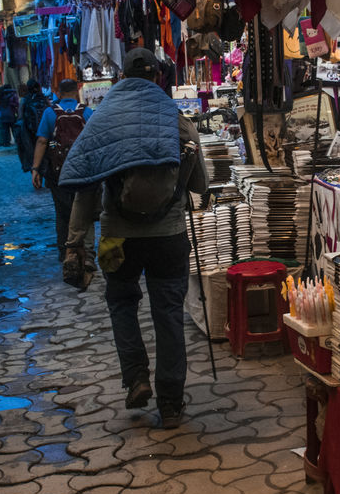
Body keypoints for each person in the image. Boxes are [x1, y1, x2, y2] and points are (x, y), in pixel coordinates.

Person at [59, 48, 207, 429]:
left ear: (121, 77)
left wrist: (77, 243)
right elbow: (200, 184)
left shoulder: (103, 120)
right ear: (158, 78)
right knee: (169, 312)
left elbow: (86, 186)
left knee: (121, 303)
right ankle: (172, 404)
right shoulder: (176, 120)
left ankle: (136, 378)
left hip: (116, 239)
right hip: (169, 237)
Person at [31, 79, 95, 269]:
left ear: (58, 92)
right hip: (84, 172)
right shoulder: (87, 112)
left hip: (58, 172)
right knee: (86, 212)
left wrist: (36, 168)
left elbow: (43, 141)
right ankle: (89, 254)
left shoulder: (50, 113)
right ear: (77, 91)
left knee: (62, 213)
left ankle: (65, 252)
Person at [17, 79, 51, 173]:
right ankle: (46, 172)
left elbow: (20, 117)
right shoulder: (44, 99)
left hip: (30, 131)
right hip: (45, 130)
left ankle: (35, 173)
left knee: (31, 152)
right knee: (46, 151)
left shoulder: (24, 100)